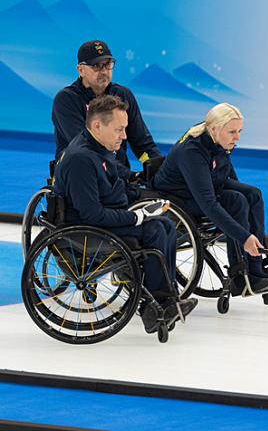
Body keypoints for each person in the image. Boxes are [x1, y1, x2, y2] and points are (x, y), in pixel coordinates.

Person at [52, 95, 197, 333]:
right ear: (97, 125)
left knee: (167, 225)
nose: (124, 136)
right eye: (119, 129)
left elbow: (114, 177)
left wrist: (140, 195)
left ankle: (165, 298)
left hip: (104, 217)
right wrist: (137, 217)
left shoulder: (97, 147)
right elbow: (92, 215)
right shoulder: (81, 160)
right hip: (87, 232)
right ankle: (156, 305)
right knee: (155, 229)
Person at [152, 103, 268, 294]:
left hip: (209, 181)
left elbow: (226, 171)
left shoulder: (217, 136)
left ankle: (255, 269)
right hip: (179, 198)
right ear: (214, 129)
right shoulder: (192, 151)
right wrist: (243, 236)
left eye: (239, 131)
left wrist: (247, 211)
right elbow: (208, 203)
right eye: (232, 132)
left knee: (253, 195)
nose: (237, 137)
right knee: (236, 202)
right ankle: (240, 275)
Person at [52, 40, 161, 171]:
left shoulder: (123, 95)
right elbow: (85, 149)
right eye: (96, 66)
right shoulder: (66, 99)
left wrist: (158, 169)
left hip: (118, 175)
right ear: (81, 70)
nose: (104, 71)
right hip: (79, 172)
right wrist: (126, 175)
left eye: (108, 64)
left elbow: (142, 143)